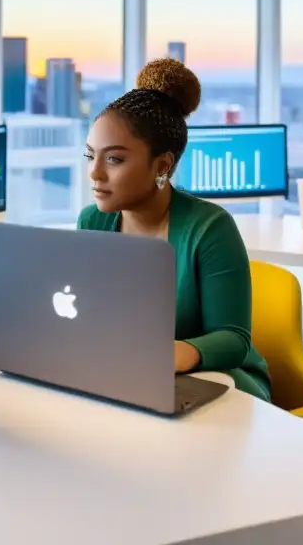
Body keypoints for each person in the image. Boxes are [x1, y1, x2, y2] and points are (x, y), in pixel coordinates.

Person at [78, 58, 271, 401]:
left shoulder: (210, 227)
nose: (95, 173)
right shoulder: (92, 221)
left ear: (162, 165)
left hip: (219, 378)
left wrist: (168, 355)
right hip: (128, 373)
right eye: (90, 156)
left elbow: (233, 339)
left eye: (114, 159)